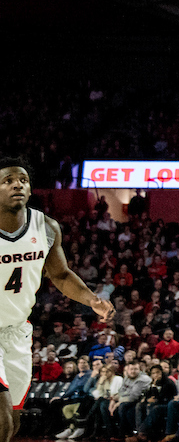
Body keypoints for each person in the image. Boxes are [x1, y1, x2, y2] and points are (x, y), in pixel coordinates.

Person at [0, 157, 114, 442]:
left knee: (13, 420)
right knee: (1, 413)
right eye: (8, 181)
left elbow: (61, 275)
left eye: (23, 180)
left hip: (16, 330)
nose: (18, 185)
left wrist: (91, 300)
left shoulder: (46, 227)